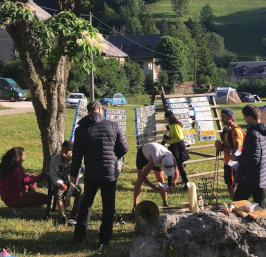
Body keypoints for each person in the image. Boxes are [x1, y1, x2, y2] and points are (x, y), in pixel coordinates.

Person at [71, 100, 129, 246]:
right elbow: (124, 148)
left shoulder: (81, 130)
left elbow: (77, 155)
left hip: (91, 172)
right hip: (110, 172)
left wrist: (73, 174)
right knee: (108, 206)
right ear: (100, 109)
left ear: (88, 111)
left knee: (86, 204)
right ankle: (105, 239)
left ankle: (79, 236)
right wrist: (114, 157)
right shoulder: (113, 125)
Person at [233, 104, 266, 209]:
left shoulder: (252, 133)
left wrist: (237, 157)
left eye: (245, 118)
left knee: (237, 204)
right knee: (260, 206)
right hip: (264, 175)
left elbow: (253, 159)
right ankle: (263, 225)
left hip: (250, 177)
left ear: (249, 118)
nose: (245, 120)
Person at [0, 147, 49, 216]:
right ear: (18, 158)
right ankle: (20, 205)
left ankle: (32, 203)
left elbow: (27, 179)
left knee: (32, 175)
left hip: (7, 198)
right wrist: (46, 175)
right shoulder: (15, 171)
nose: (24, 159)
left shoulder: (6, 168)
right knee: (47, 198)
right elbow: (30, 180)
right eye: (23, 158)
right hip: (15, 198)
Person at [133, 142, 178, 214]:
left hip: (156, 153)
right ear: (161, 164)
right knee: (140, 180)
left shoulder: (171, 157)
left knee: (160, 178)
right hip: (143, 154)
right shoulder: (154, 160)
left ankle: (165, 203)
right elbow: (143, 177)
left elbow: (177, 173)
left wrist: (173, 185)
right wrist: (155, 188)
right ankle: (135, 206)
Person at [50, 140, 84, 225]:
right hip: (60, 182)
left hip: (73, 183)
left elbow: (74, 180)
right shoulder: (55, 159)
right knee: (58, 192)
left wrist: (68, 197)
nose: (63, 154)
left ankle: (73, 216)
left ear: (72, 152)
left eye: (66, 152)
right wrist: (60, 183)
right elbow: (53, 175)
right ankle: (63, 216)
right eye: (62, 151)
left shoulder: (75, 161)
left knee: (81, 190)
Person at [214, 108, 245, 200]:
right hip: (228, 162)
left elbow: (237, 150)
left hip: (233, 163)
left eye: (224, 117)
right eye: (221, 117)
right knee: (230, 185)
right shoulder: (226, 130)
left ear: (231, 117)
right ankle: (237, 203)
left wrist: (221, 147)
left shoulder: (236, 131)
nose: (222, 119)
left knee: (232, 186)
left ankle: (237, 204)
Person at [162, 110, 190, 189]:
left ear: (168, 117)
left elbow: (179, 138)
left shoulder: (176, 125)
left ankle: (186, 184)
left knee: (180, 167)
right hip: (173, 148)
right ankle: (169, 184)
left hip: (178, 148)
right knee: (170, 165)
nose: (164, 119)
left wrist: (169, 141)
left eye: (165, 117)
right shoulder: (170, 126)